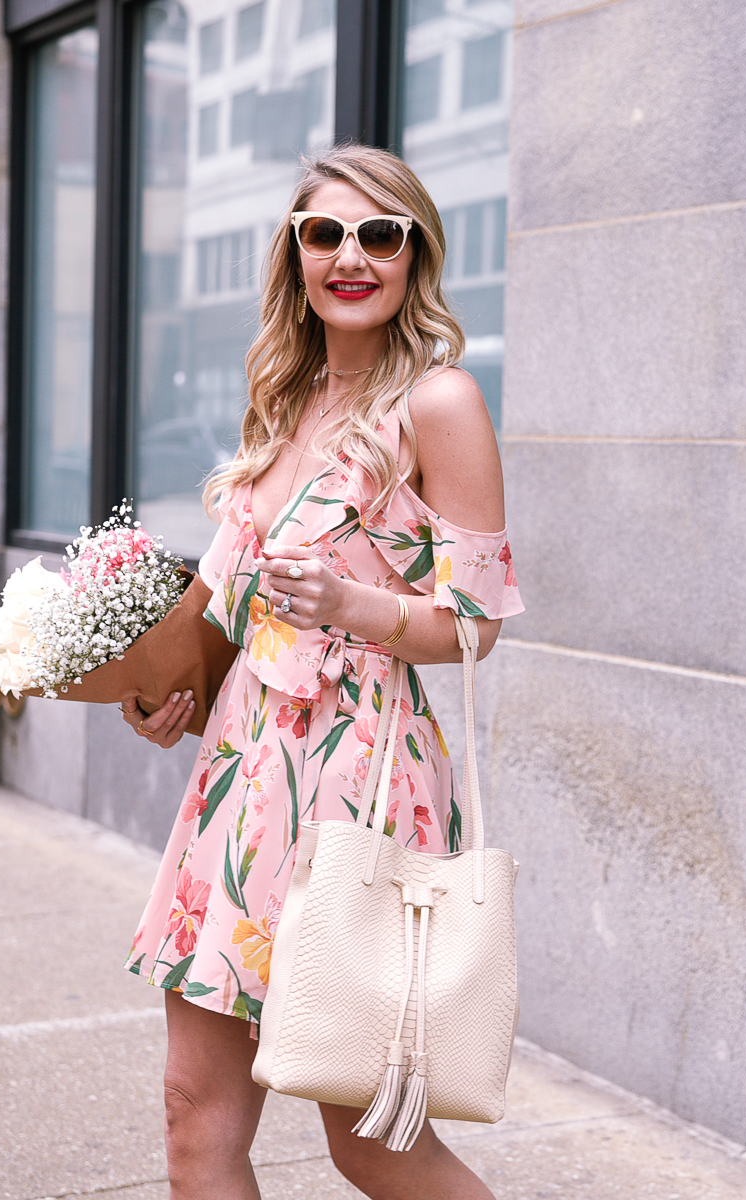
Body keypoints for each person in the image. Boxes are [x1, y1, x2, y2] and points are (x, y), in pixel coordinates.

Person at [119, 144, 523, 1200]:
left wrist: (362, 608)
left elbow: (478, 624)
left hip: (365, 787)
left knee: (370, 1138)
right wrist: (166, 682)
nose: (350, 255)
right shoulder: (285, 402)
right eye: (324, 233)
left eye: (378, 235)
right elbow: (226, 612)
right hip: (242, 778)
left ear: (412, 258)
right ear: (294, 256)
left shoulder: (438, 404)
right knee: (192, 1115)